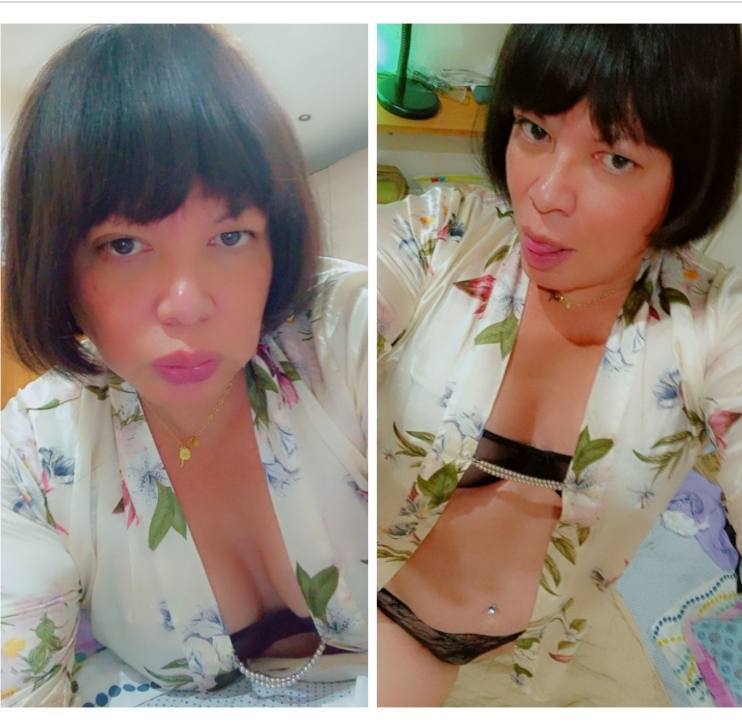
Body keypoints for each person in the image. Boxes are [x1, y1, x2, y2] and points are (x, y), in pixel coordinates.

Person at [1, 24, 367, 706]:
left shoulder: (344, 340)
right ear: (56, 265)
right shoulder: (35, 448)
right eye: (123, 245)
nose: (188, 305)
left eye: (230, 235)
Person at [377, 25, 741, 707]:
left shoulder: (712, 322)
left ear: (687, 179)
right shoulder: (446, 238)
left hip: (546, 650)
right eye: (535, 130)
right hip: (388, 614)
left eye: (615, 159)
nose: (545, 193)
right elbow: (336, 316)